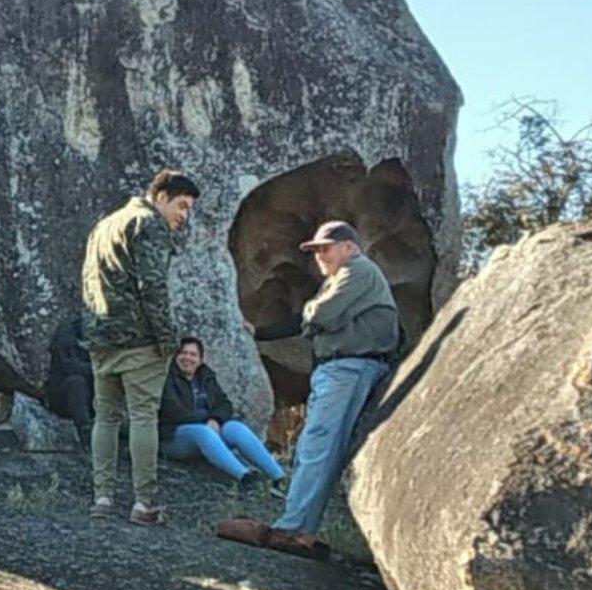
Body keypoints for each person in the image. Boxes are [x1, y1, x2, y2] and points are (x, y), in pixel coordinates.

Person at [216, 220, 401, 560]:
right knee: (313, 449)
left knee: (318, 446)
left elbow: (321, 314)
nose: (319, 256)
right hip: (342, 369)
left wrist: (314, 313)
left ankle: (293, 529)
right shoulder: (342, 278)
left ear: (350, 246)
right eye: (315, 251)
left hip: (349, 367)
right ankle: (300, 530)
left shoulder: (357, 270)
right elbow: (305, 320)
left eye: (325, 248)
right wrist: (262, 333)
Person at [81, 169, 199, 526]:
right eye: (181, 206)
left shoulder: (105, 225)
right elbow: (154, 287)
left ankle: (102, 497)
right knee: (143, 416)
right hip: (140, 340)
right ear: (160, 197)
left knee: (106, 416)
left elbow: (87, 281)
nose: (184, 216)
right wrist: (168, 339)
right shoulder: (148, 224)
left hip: (101, 337)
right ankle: (143, 503)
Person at [159, 336, 287, 497]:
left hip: (208, 431)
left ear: (200, 360)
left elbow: (225, 404)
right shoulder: (166, 377)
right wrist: (207, 421)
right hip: (174, 437)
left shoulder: (205, 377)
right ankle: (246, 478)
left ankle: (278, 477)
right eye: (183, 353)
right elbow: (172, 410)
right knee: (202, 432)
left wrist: (215, 419)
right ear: (176, 356)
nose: (188, 358)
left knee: (235, 428)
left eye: (193, 355)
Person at [42, 316, 93, 445]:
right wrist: (99, 368)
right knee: (76, 383)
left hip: (92, 394)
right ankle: (86, 431)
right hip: (63, 395)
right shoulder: (66, 333)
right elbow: (70, 367)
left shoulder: (109, 328)